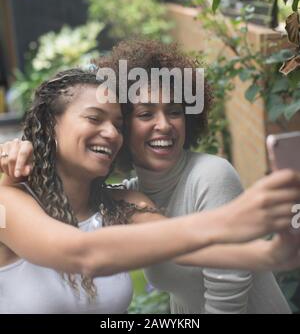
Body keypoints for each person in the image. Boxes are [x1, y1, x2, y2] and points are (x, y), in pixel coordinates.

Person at [1, 62, 300, 314]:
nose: (110, 133)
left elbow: (188, 251)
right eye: (94, 118)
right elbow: (84, 255)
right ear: (50, 124)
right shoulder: (7, 200)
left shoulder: (123, 201)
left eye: (118, 125)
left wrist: (269, 254)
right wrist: (235, 217)